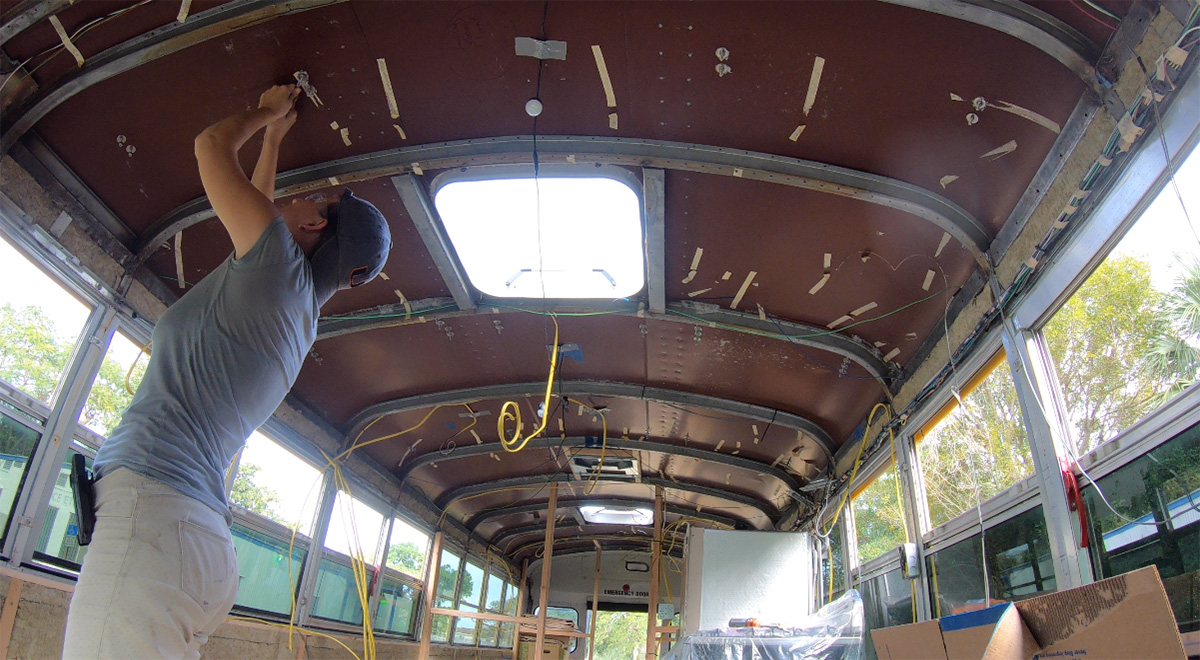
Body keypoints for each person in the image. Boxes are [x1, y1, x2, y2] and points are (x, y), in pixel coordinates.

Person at [61, 84, 391, 659]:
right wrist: (272, 141)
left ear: (314, 223)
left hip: (153, 526)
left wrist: (267, 111)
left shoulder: (275, 273)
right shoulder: (294, 303)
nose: (296, 200)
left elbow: (210, 146)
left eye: (313, 200)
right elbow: (254, 209)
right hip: (185, 541)